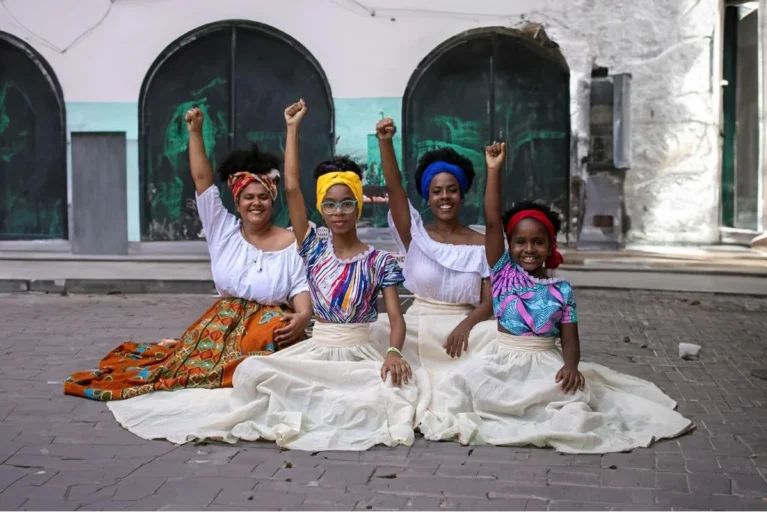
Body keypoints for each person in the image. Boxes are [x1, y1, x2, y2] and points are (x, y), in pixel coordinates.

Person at [105, 100, 426, 452]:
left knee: (386, 394)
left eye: (347, 204)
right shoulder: (304, 246)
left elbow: (393, 316)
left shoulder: (370, 259)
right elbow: (286, 186)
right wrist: (289, 129)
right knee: (255, 376)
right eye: (330, 205)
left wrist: (392, 350)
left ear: (358, 207)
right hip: (277, 339)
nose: (338, 212)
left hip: (344, 347)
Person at [418, 141, 694, 453]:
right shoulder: (503, 273)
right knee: (461, 387)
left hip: (544, 361)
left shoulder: (560, 290)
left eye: (538, 242)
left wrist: (572, 366)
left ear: (550, 247)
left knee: (568, 400)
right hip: (501, 359)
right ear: (509, 246)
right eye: (520, 242)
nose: (529, 249)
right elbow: (493, 221)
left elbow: (570, 338)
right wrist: (494, 170)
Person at [64, 107, 311, 401]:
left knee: (258, 360)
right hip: (221, 326)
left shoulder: (292, 242)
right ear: (238, 201)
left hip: (269, 331)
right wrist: (195, 131)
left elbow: (300, 289)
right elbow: (202, 179)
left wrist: (303, 316)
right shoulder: (223, 230)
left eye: (262, 197)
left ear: (272, 201)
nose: (255, 203)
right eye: (248, 197)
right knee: (187, 371)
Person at [370, 118, 496, 402]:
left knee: (497, 337)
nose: (445, 197)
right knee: (374, 331)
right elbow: (394, 190)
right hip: (418, 327)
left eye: (451, 189)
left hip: (464, 330)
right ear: (428, 196)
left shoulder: (481, 243)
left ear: (462, 194)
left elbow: (489, 303)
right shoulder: (415, 235)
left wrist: (465, 326)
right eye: (436, 191)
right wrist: (385, 142)